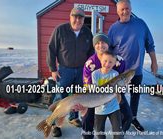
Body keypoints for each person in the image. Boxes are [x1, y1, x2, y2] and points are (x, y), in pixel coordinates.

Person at [108, 0, 158, 132]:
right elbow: (108, 51)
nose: (125, 12)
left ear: (131, 9)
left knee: (135, 94)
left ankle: (133, 118)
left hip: (136, 70)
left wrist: (154, 61)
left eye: (127, 8)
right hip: (119, 72)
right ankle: (122, 117)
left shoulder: (140, 24)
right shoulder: (113, 29)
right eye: (122, 9)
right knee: (120, 96)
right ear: (117, 12)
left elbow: (150, 44)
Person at [46, 7, 95, 137]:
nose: (77, 20)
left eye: (80, 17)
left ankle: (73, 117)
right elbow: (51, 50)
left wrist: (90, 71)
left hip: (81, 71)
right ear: (70, 16)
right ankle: (55, 124)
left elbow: (91, 53)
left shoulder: (87, 32)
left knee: (78, 97)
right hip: (64, 70)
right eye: (75, 17)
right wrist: (53, 70)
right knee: (61, 98)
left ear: (84, 19)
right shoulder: (60, 30)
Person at [81, 32, 132, 139]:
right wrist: (97, 100)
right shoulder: (89, 63)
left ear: (108, 44)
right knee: (86, 117)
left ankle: (119, 135)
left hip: (114, 94)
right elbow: (88, 86)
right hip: (94, 95)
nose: (100, 45)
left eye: (103, 42)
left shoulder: (119, 61)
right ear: (94, 46)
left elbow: (122, 80)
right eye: (97, 43)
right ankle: (87, 137)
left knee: (127, 115)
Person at [92, 51, 123, 139]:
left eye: (110, 62)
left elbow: (118, 91)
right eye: (105, 61)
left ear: (114, 63)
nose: (107, 64)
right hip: (99, 110)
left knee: (118, 135)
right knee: (99, 135)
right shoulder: (95, 74)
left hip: (114, 108)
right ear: (100, 60)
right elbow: (95, 92)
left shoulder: (115, 74)